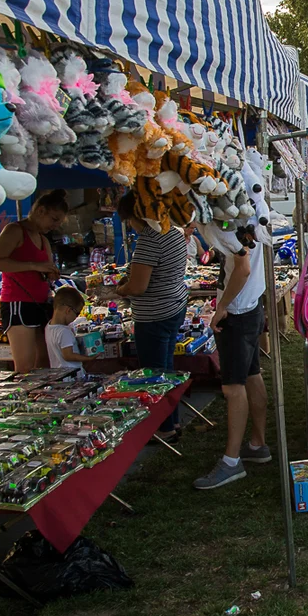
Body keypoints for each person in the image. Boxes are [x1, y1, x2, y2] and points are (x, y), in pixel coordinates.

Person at [194, 236, 272, 490]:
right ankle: (257, 444)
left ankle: (231, 461)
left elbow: (243, 268)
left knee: (233, 387)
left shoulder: (235, 224)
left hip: (238, 311)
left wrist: (222, 307)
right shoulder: (253, 211)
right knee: (251, 374)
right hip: (250, 306)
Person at [115, 193, 189, 441]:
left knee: (154, 374)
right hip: (173, 306)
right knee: (166, 369)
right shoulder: (173, 232)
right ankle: (173, 421)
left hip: (154, 315)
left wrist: (119, 289)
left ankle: (165, 427)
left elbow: (137, 286)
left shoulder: (150, 240)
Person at [0, 189, 67, 372]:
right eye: (54, 219)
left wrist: (50, 273)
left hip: (40, 303)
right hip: (18, 302)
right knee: (25, 366)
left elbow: (45, 269)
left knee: (45, 363)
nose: (55, 226)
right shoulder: (15, 230)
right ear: (40, 211)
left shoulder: (43, 239)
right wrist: (34, 265)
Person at [46, 287, 98, 374]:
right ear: (68, 310)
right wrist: (88, 358)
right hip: (72, 375)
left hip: (58, 375)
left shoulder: (49, 327)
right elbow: (68, 356)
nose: (76, 318)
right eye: (77, 313)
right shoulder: (64, 331)